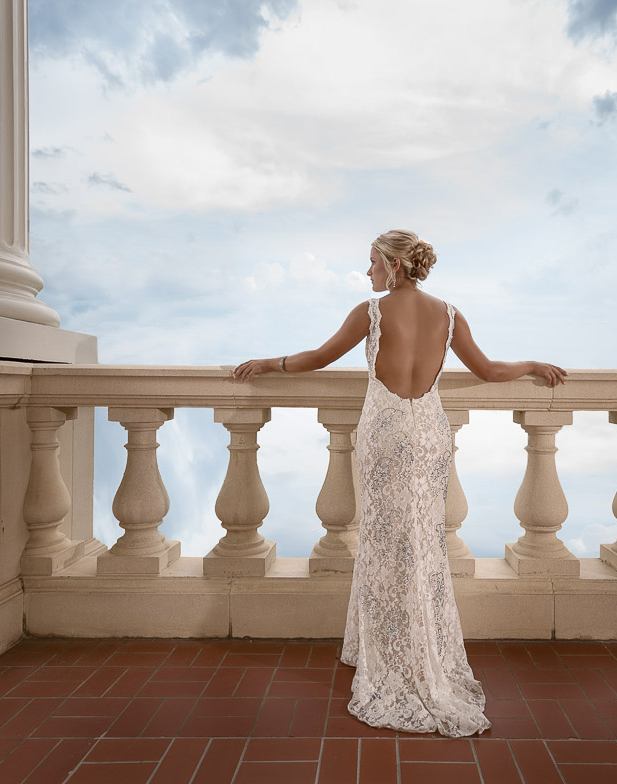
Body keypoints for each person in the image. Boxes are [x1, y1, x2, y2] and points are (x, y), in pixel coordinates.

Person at [233, 229, 568, 737]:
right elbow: (488, 369)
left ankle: (391, 653)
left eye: (371, 262)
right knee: (421, 540)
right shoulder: (449, 314)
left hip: (387, 433)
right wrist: (532, 366)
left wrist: (269, 363)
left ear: (393, 266)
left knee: (386, 540)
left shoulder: (369, 312)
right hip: (429, 434)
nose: (366, 272)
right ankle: (412, 644)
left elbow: (320, 358)